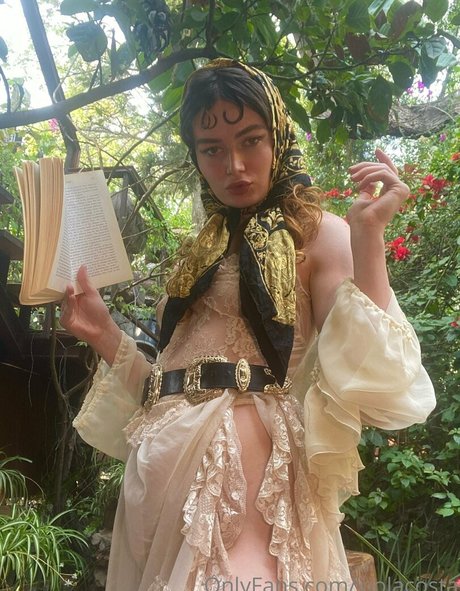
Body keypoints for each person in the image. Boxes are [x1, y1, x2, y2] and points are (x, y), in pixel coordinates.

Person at [61, 59, 435, 591]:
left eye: (251, 140)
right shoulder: (198, 253)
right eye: (212, 149)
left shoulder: (317, 233)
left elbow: (375, 372)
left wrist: (368, 237)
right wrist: (102, 332)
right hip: (156, 494)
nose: (234, 165)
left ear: (278, 137)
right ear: (196, 156)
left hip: (249, 486)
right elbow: (163, 389)